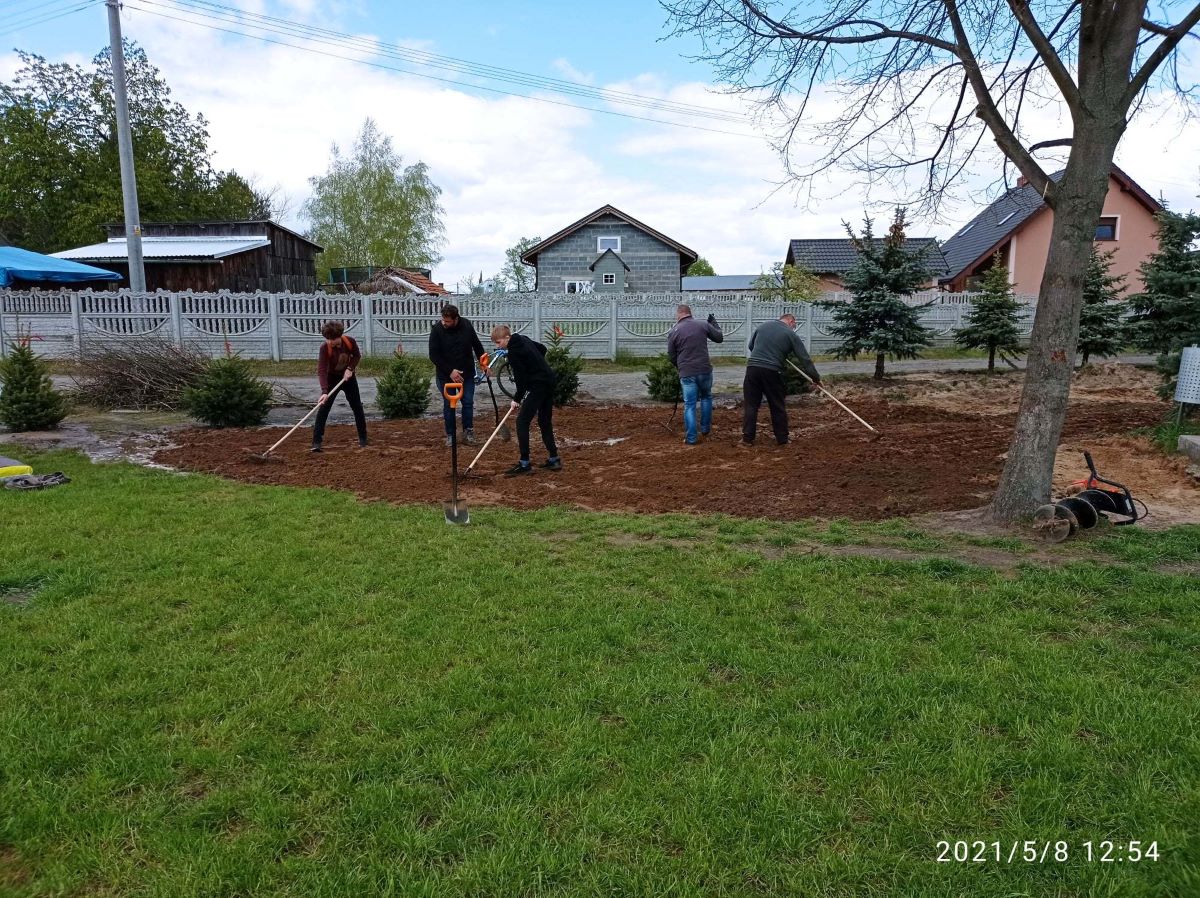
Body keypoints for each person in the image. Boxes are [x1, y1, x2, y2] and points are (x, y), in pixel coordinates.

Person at [488, 325, 560, 476]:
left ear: (507, 338)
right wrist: (536, 365)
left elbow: (521, 380)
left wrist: (516, 399)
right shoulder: (523, 339)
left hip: (539, 385)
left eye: (498, 342)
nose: (497, 346)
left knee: (522, 422)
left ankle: (524, 463)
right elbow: (542, 348)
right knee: (544, 421)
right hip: (549, 380)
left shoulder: (514, 353)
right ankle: (554, 459)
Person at [742, 313, 821, 446]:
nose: (793, 328)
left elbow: (751, 346)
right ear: (790, 321)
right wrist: (816, 378)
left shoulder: (763, 326)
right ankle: (782, 439)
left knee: (751, 405)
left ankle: (747, 438)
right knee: (777, 405)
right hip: (772, 371)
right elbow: (805, 360)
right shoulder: (790, 334)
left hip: (752, 369)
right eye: (794, 326)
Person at [428, 304, 486, 446]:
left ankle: (468, 432)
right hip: (446, 375)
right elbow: (434, 355)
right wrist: (450, 371)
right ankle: (451, 435)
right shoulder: (437, 330)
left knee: (467, 402)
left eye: (447, 321)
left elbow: (476, 345)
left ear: (456, 319)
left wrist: (483, 362)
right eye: (443, 319)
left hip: (466, 374)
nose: (444, 323)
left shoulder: (466, 325)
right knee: (449, 405)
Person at [666, 303, 724, 445]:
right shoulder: (702, 324)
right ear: (689, 313)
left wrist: (680, 367)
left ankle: (691, 438)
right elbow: (719, 337)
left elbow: (671, 355)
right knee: (706, 397)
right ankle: (705, 428)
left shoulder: (674, 331)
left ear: (679, 314)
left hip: (687, 373)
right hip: (704, 369)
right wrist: (714, 323)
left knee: (690, 404)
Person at [311, 320, 368, 452]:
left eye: (333, 339)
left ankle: (363, 438)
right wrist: (324, 391)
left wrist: (350, 368)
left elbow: (357, 356)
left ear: (340, 336)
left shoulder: (349, 342)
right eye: (328, 339)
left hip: (348, 378)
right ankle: (316, 442)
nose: (330, 341)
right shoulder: (324, 348)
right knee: (323, 408)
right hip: (332, 379)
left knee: (357, 407)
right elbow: (322, 370)